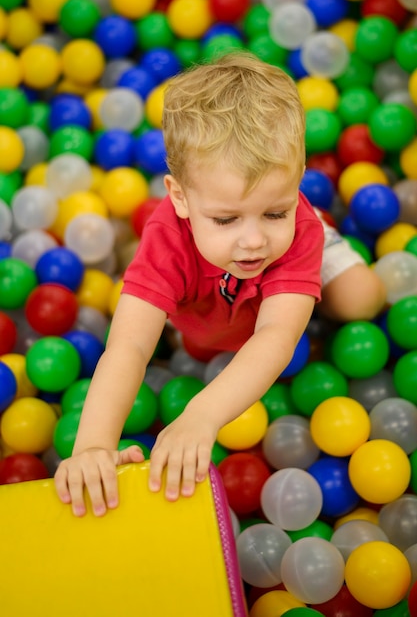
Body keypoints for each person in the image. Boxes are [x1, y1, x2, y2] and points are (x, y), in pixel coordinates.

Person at [54, 53, 384, 517]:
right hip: (195, 281)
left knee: (364, 298)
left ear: (298, 180)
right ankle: (145, 271)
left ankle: (320, 247)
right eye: (226, 218)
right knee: (163, 305)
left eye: (275, 210)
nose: (253, 240)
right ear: (180, 198)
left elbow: (276, 337)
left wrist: (201, 416)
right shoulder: (169, 238)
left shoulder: (295, 232)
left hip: (287, 268)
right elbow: (128, 347)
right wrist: (92, 446)